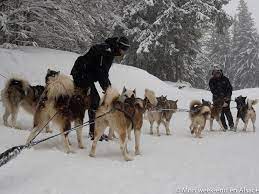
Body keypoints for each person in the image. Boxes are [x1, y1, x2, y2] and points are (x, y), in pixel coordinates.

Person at [71, 36, 130, 140]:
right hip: (81, 73)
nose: (124, 52)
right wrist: (109, 90)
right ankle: (93, 132)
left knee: (95, 99)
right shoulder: (106, 51)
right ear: (119, 46)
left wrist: (109, 88)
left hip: (86, 73)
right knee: (95, 101)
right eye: (124, 49)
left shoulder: (109, 50)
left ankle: (93, 131)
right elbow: (101, 73)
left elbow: (103, 74)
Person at [209, 65, 234, 131]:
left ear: (220, 72)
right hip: (217, 100)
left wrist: (228, 96)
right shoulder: (212, 80)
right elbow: (213, 90)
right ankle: (224, 127)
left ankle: (231, 126)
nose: (217, 74)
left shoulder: (225, 79)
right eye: (215, 73)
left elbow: (230, 89)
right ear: (213, 73)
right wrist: (219, 97)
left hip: (226, 99)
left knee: (227, 111)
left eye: (218, 72)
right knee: (220, 113)